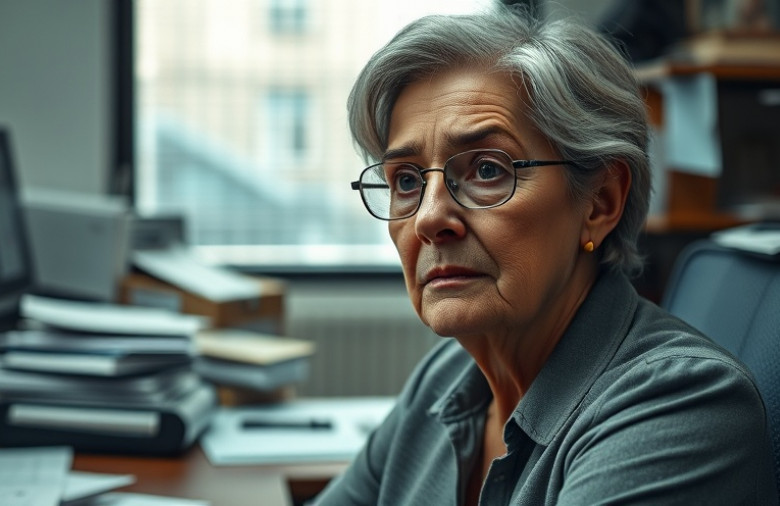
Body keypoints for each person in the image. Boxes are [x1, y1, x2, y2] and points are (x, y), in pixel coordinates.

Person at [313, 5, 778, 505]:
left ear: (600, 201)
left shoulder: (684, 408)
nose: (428, 218)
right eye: (405, 180)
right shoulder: (445, 378)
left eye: (487, 170)